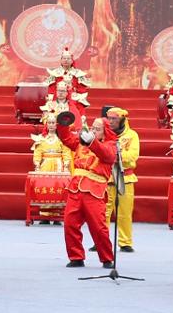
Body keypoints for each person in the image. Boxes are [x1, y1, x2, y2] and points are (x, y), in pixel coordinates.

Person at [56, 116, 116, 268]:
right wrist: (63, 125)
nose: (93, 130)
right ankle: (76, 257)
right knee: (70, 224)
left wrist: (92, 142)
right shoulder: (81, 142)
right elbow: (67, 139)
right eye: (92, 127)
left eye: (97, 129)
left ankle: (107, 258)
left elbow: (107, 156)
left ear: (105, 132)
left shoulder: (110, 145)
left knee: (98, 227)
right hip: (75, 187)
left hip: (94, 190)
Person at [104, 107, 139, 253]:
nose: (111, 122)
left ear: (122, 120)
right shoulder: (103, 134)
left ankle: (125, 242)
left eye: (114, 119)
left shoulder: (132, 135)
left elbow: (132, 156)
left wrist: (115, 155)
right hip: (105, 178)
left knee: (124, 212)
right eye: (109, 119)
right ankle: (101, 239)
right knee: (102, 213)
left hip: (125, 178)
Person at [45, 48, 90, 114]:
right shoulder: (55, 73)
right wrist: (52, 99)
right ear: (61, 60)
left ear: (72, 61)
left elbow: (82, 90)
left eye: (68, 58)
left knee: (79, 106)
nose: (66, 60)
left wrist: (77, 97)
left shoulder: (78, 73)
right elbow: (51, 89)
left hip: (73, 97)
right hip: (58, 96)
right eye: (64, 58)